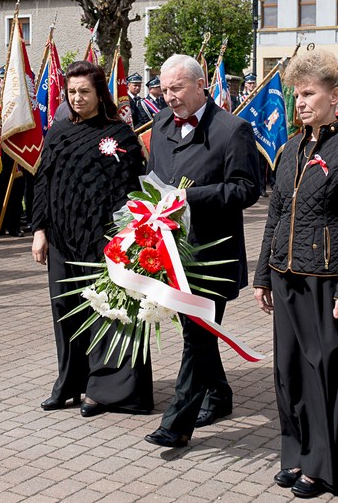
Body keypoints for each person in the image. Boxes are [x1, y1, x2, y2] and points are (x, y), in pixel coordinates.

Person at [253, 50, 338, 500]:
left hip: (326, 282)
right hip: (287, 276)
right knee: (289, 373)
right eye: (296, 94)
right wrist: (263, 273)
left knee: (328, 372)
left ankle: (330, 469)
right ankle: (299, 455)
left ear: (336, 96)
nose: (300, 102)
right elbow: (277, 212)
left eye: (309, 93)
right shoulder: (291, 147)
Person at [143, 54, 261, 449]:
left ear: (200, 85)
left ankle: (176, 425)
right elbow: (153, 176)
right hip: (168, 252)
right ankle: (221, 394)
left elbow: (247, 189)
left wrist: (190, 197)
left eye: (177, 88)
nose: (169, 97)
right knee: (198, 331)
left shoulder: (233, 130)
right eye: (163, 89)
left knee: (197, 336)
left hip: (212, 256)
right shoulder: (160, 123)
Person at [30, 60, 153, 416]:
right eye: (71, 92)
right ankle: (69, 383)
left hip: (104, 241)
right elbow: (42, 182)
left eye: (85, 91)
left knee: (104, 311)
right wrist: (39, 230)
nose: (77, 98)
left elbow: (133, 189)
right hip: (60, 239)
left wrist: (127, 237)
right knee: (64, 310)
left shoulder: (120, 135)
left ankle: (105, 389)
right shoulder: (57, 131)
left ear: (100, 93)